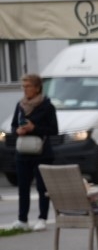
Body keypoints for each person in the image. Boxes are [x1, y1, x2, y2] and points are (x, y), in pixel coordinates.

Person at [7, 74, 58, 232]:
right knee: (23, 186)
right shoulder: (20, 105)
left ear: (37, 88)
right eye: (23, 86)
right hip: (23, 152)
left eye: (28, 86)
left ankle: (42, 218)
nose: (25, 89)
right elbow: (13, 126)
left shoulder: (47, 106)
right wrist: (18, 130)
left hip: (41, 152)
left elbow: (53, 130)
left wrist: (34, 128)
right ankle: (22, 219)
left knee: (43, 187)